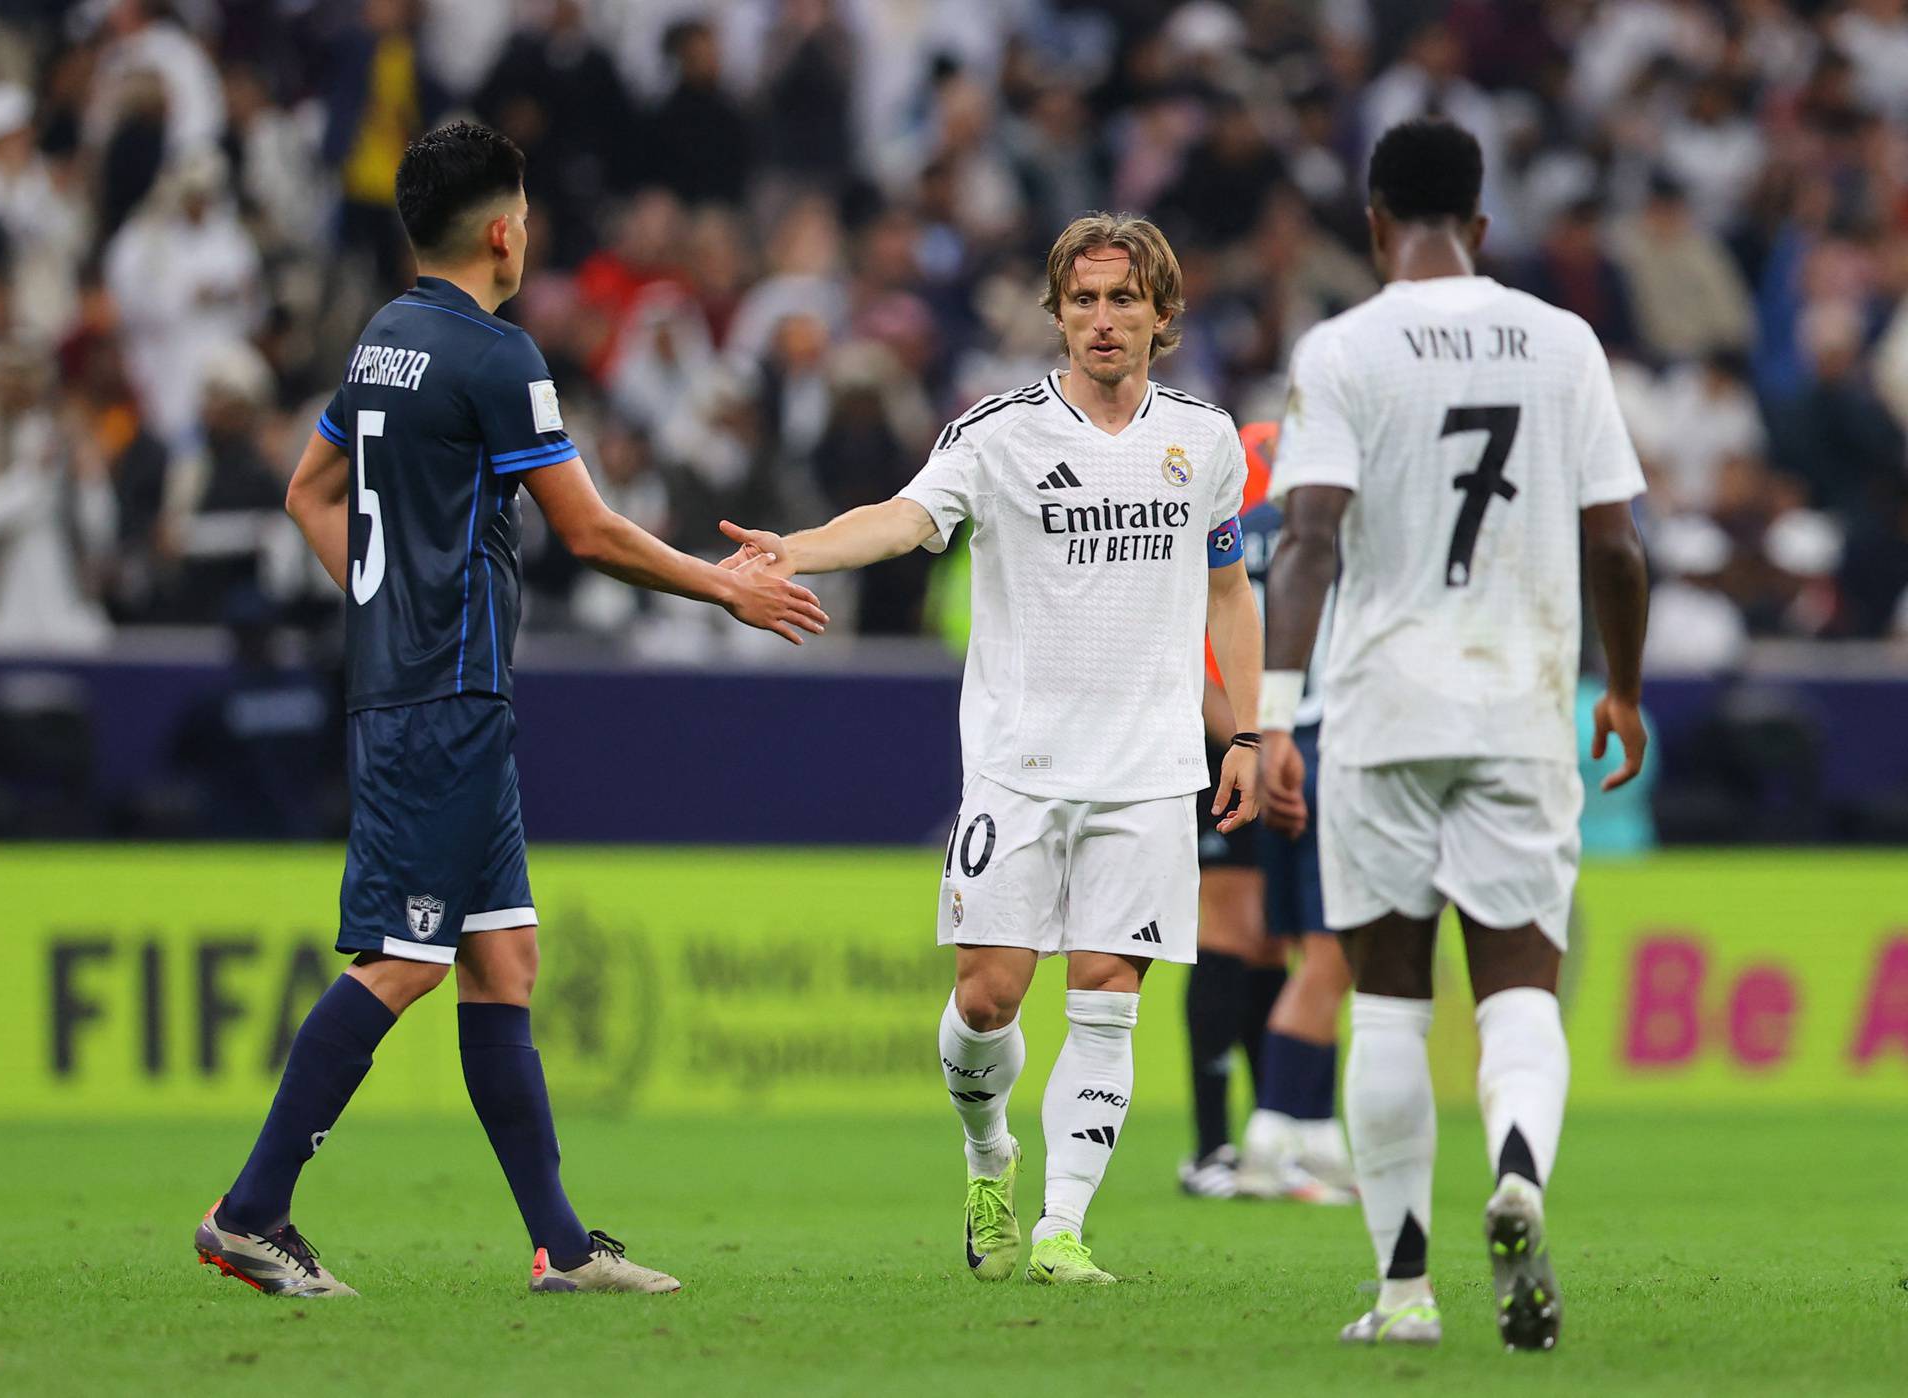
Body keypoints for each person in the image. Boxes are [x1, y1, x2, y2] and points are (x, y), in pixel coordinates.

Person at [194, 121, 826, 1300]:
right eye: (525, 214)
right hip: (443, 700)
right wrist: (723, 585)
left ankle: (562, 1244)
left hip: (427, 685)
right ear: (500, 229)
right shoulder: (497, 355)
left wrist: (385, 607)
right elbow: (587, 531)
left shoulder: (384, 338)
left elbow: (307, 491)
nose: (529, 231)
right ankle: (250, 1211)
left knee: (503, 960)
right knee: (406, 958)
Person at [721, 213, 1263, 1285]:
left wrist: (1248, 728)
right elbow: (903, 518)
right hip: (1019, 767)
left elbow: (1228, 592)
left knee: (1108, 994)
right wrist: (800, 550)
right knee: (989, 999)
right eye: (1084, 300)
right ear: (1056, 313)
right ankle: (988, 1154)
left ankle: (1063, 1226)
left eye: (1124, 300)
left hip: (1153, 771)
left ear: (1163, 314)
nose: (1103, 320)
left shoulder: (1204, 440)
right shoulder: (999, 432)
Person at [1259, 118, 1649, 1350]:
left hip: (1380, 712)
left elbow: (1309, 539)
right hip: (1522, 705)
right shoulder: (1564, 342)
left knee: (1384, 1003)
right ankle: (1520, 1166)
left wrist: (1273, 715)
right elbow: (1616, 546)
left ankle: (1405, 1292)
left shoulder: (1344, 346)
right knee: (1519, 987)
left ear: (1375, 224)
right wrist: (1622, 691)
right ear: (1481, 227)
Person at [1180, 419, 1358, 1205]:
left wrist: (1243, 740)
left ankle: (1266, 1136)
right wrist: (1246, 742)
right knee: (1258, 934)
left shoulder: (1235, 528)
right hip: (1271, 743)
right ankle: (1240, 1138)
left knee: (1261, 942)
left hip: (1248, 737)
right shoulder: (1327, 533)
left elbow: (1192, 649)